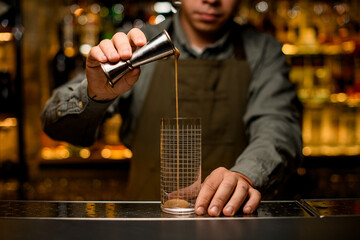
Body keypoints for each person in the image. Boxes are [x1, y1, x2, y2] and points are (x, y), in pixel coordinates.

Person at [41, 0, 302, 217]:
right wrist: (94, 94)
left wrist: (246, 175)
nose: (211, 0)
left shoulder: (263, 51)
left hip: (230, 221)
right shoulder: (139, 45)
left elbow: (279, 127)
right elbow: (56, 124)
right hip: (148, 222)